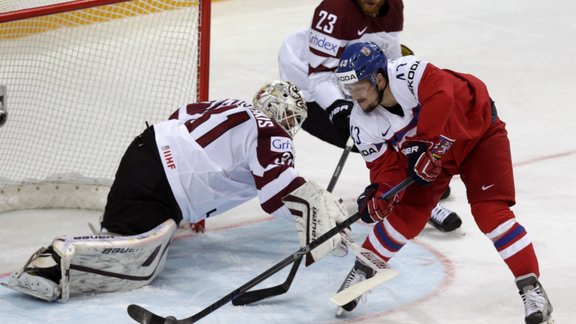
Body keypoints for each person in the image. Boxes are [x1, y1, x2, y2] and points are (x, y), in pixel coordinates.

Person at [1, 81, 350, 302]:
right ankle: (54, 260)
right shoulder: (271, 133)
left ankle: (83, 251)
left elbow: (177, 116)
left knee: (140, 239)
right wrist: (316, 212)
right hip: (162, 184)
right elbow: (277, 194)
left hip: (143, 155)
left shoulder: (230, 106)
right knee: (141, 264)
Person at [333, 42, 553, 324]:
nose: (354, 96)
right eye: (348, 88)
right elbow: (384, 167)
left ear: (377, 77)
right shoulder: (361, 122)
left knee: (491, 214)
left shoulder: (406, 71)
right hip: (436, 159)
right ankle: (362, 272)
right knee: (405, 216)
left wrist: (423, 142)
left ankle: (532, 290)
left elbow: (441, 94)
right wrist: (380, 193)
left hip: (478, 136)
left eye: (358, 86)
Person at [278, 0, 461, 233]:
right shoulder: (334, 10)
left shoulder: (393, 6)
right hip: (310, 93)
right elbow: (319, 78)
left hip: (357, 83)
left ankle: (417, 187)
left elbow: (390, 56)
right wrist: (337, 108)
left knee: (403, 124)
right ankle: (416, 199)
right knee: (379, 139)